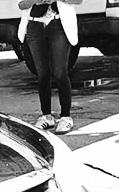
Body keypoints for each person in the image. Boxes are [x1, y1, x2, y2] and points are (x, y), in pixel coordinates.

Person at [18, 0, 82, 134]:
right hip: (34, 25)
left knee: (60, 72)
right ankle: (46, 116)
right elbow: (21, 4)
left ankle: (65, 116)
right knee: (42, 74)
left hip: (58, 24)